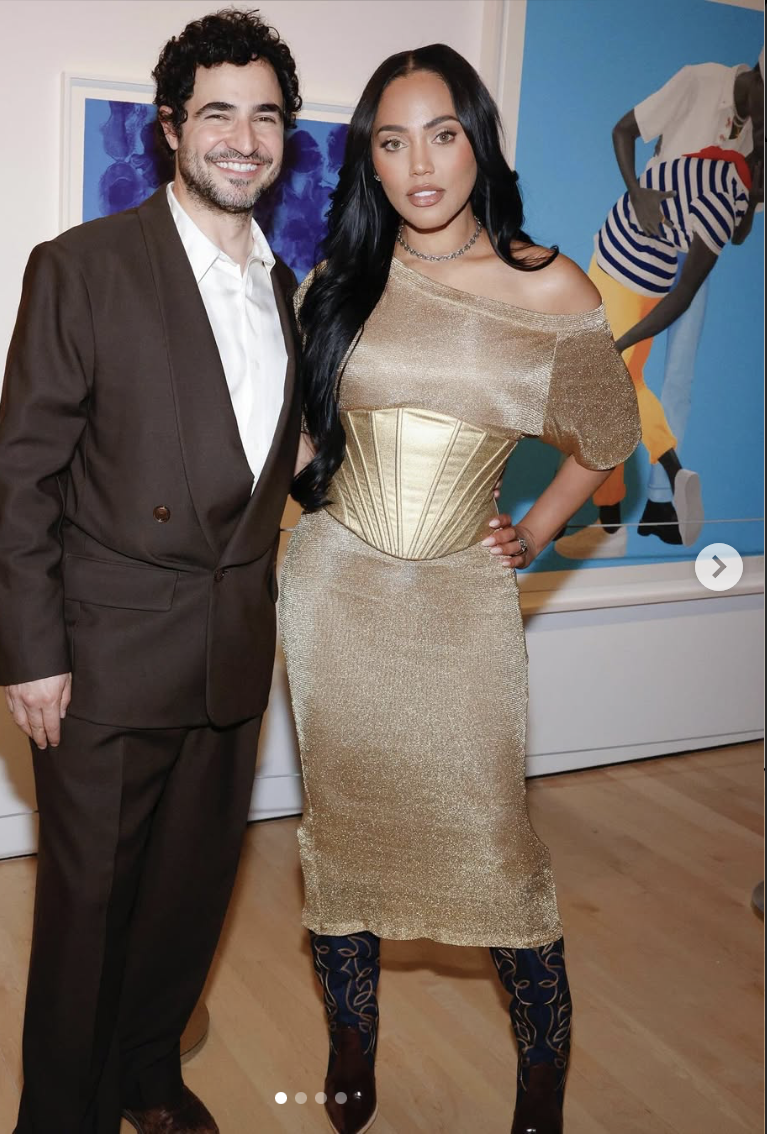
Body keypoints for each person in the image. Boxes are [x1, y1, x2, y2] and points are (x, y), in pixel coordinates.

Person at [279, 46, 641, 1134]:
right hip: (336, 599)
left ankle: (541, 1085)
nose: (419, 163)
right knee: (340, 836)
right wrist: (296, 536)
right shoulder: (337, 280)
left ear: (478, 141)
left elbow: (607, 443)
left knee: (494, 845)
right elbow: (302, 441)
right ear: (370, 165)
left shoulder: (551, 288)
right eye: (391, 142)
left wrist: (531, 530)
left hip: (460, 614)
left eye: (442, 134)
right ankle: (351, 1042)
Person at [0, 11, 301, 1134]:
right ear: (173, 129)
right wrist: (31, 653)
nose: (243, 138)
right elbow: (27, 475)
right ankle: (61, 1115)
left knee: (187, 903)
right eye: (218, 112)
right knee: (87, 916)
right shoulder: (84, 267)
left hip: (228, 657)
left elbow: (267, 461)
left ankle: (148, 1077)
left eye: (266, 115)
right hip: (106, 661)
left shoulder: (285, 287)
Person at [555, 50, 764, 558]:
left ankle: (648, 507)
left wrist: (756, 166)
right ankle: (645, 495)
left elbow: (738, 231)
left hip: (676, 262)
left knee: (662, 380)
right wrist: (638, 192)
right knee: (623, 381)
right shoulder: (700, 82)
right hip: (645, 244)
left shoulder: (756, 139)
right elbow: (624, 129)